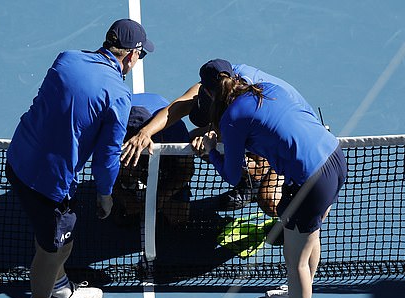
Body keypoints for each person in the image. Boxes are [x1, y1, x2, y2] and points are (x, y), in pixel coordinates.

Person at [5, 19, 154, 298]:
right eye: (140, 56)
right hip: (49, 184)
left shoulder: (67, 58)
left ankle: (60, 291)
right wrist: (105, 194)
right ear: (131, 55)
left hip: (18, 160)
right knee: (53, 247)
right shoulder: (117, 95)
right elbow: (107, 155)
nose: (138, 62)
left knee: (52, 237)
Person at [190, 59, 347, 298]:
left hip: (309, 182)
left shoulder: (232, 118)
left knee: (295, 260)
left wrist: (211, 151)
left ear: (210, 93)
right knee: (310, 236)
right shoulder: (268, 87)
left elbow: (234, 176)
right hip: (334, 158)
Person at [120, 61, 300, 219]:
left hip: (289, 141)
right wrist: (145, 132)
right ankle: (248, 182)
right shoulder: (221, 79)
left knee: (268, 200)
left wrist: (216, 150)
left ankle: (296, 218)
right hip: (250, 128)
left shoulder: (249, 104)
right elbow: (177, 107)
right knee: (195, 139)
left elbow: (254, 166)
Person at [113, 93, 194, 226]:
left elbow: (187, 170)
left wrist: (164, 194)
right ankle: (130, 184)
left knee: (178, 216)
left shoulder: (176, 133)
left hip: (166, 153)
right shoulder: (116, 129)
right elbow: (102, 166)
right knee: (125, 172)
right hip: (127, 125)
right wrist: (123, 196)